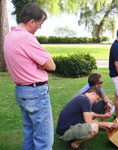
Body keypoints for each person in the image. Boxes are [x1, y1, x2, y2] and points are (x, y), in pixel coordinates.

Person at [4, 3, 55, 150]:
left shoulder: (9, 37)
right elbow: (51, 65)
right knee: (44, 140)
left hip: (22, 92)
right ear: (31, 21)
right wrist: (40, 65)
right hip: (36, 93)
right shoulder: (26, 38)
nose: (40, 28)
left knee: (30, 135)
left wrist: (36, 64)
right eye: (40, 24)